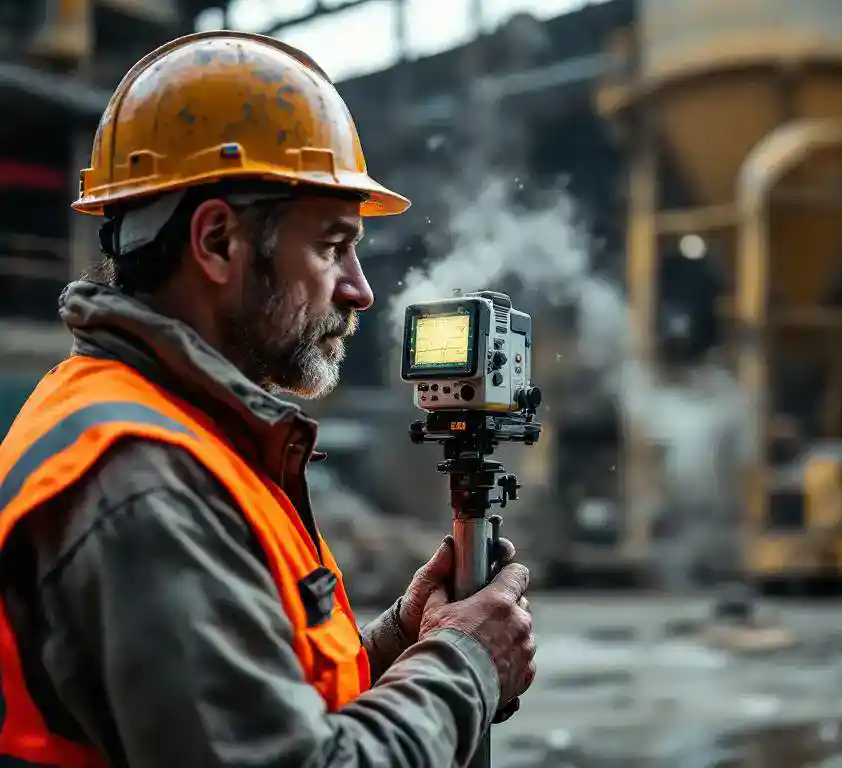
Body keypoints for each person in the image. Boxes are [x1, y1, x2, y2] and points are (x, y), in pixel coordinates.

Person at [0, 30, 536, 768]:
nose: (360, 289)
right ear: (219, 242)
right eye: (331, 246)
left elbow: (266, 709)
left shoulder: (178, 434)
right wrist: (465, 664)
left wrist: (404, 643)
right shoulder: (142, 485)